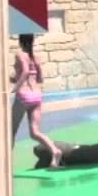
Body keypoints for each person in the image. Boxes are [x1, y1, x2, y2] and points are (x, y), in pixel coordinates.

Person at [12, 33, 61, 167]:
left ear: (21, 42)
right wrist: (16, 78)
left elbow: (26, 71)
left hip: (24, 95)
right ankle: (55, 151)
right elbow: (40, 79)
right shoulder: (36, 57)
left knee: (10, 132)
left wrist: (15, 87)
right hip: (36, 96)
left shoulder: (20, 54)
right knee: (35, 132)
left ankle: (6, 163)